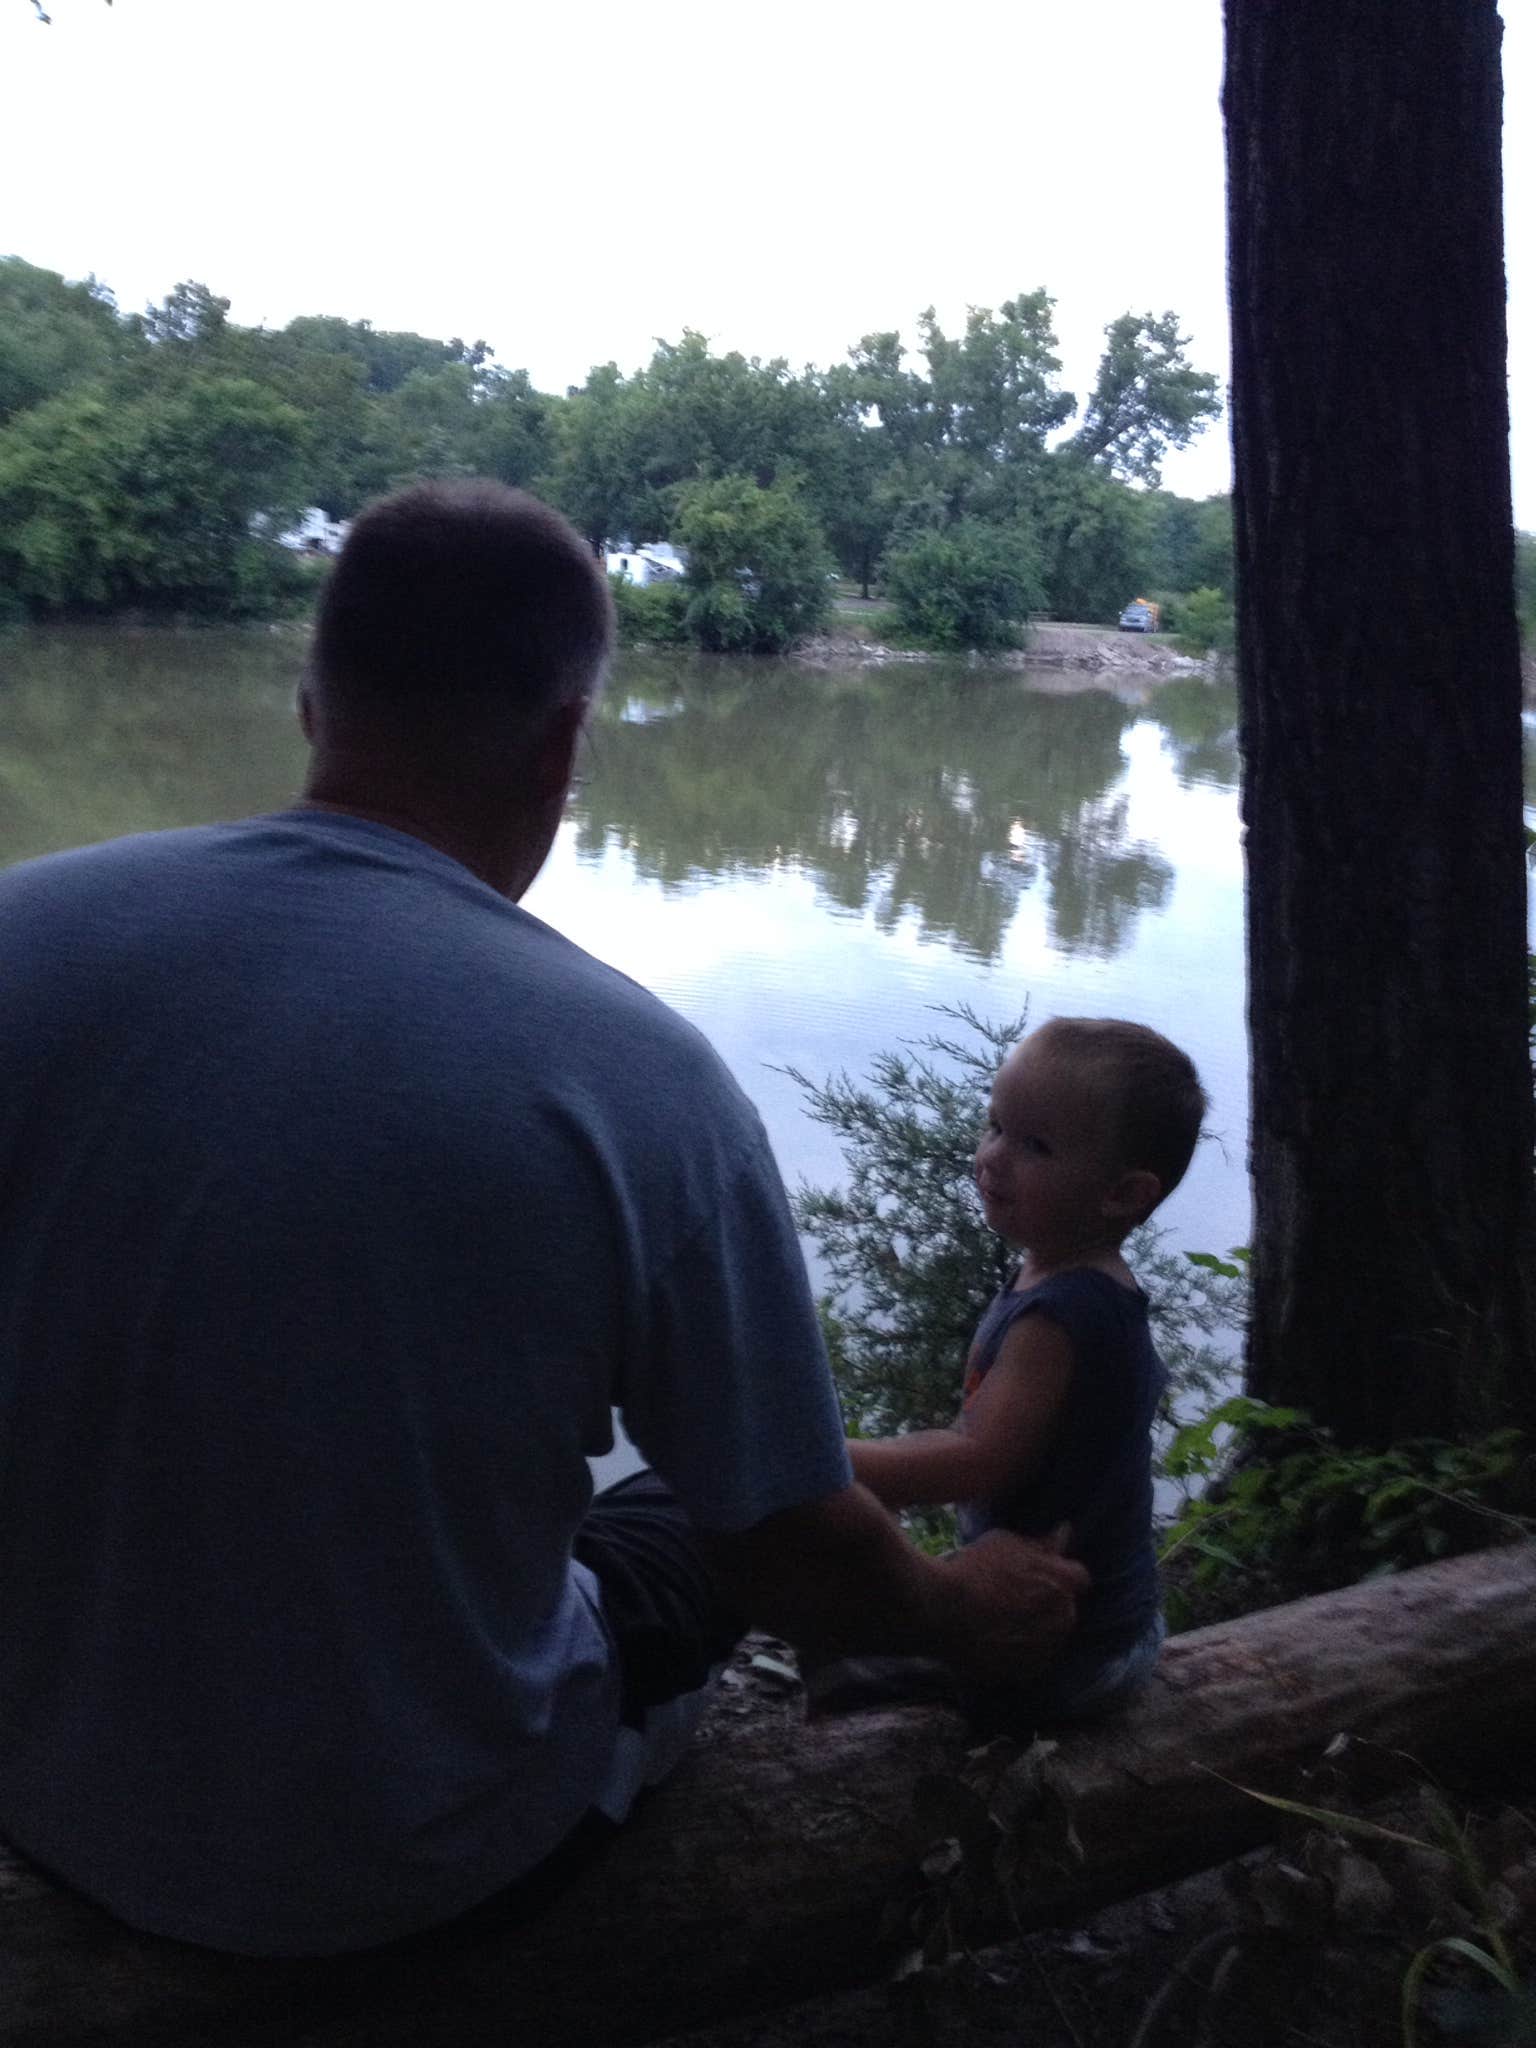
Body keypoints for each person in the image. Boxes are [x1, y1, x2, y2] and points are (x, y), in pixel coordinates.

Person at [0, 480, 1087, 1960]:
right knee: (676, 1518)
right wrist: (965, 1615)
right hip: (423, 1867)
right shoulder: (640, 1079)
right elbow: (781, 1548)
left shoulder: (26, 933)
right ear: (571, 740)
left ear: (310, 699)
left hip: (53, 1809)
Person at [821, 1017, 1206, 1726]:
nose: (993, 1157)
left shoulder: (1064, 1316)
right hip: (1102, 1624)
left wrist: (822, 1465)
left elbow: (976, 1462)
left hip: (1070, 1652)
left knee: (841, 1660)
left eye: (1035, 1145)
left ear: (1122, 1194)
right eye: (995, 1125)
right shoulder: (1069, 1275)